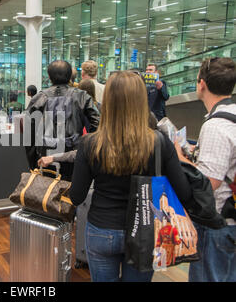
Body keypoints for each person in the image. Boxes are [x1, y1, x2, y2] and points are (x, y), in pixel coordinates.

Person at [69, 71, 195, 282]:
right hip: (145, 232)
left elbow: (76, 196)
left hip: (102, 228)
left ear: (107, 101)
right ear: (141, 100)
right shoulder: (159, 142)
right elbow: (184, 193)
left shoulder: (90, 143)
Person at [175, 57, 236, 282]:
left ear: (201, 84)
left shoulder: (215, 127)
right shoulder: (232, 116)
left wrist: (181, 158)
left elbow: (208, 182)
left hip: (216, 224)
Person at [26, 60, 100, 181]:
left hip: (46, 156)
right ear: (70, 74)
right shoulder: (82, 96)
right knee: (72, 194)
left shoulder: (39, 98)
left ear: (49, 77)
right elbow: (97, 123)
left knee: (46, 193)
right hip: (74, 154)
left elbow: (29, 131)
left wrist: (33, 160)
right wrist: (86, 148)